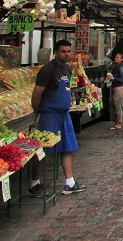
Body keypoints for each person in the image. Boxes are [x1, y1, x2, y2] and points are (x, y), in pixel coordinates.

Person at [29, 40, 86, 196]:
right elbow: (37, 93)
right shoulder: (48, 70)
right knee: (42, 149)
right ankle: (34, 183)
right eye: (63, 51)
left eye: (68, 51)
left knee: (68, 148)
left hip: (64, 115)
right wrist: (37, 112)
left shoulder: (67, 69)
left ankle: (69, 182)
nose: (66, 54)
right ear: (56, 52)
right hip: (50, 115)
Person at [107, 53, 123, 130]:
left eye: (117, 57)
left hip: (119, 90)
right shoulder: (116, 67)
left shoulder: (121, 68)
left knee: (118, 107)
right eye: (115, 57)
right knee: (114, 106)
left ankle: (118, 124)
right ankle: (116, 123)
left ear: (121, 59)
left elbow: (122, 80)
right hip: (114, 89)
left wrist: (113, 78)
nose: (115, 58)